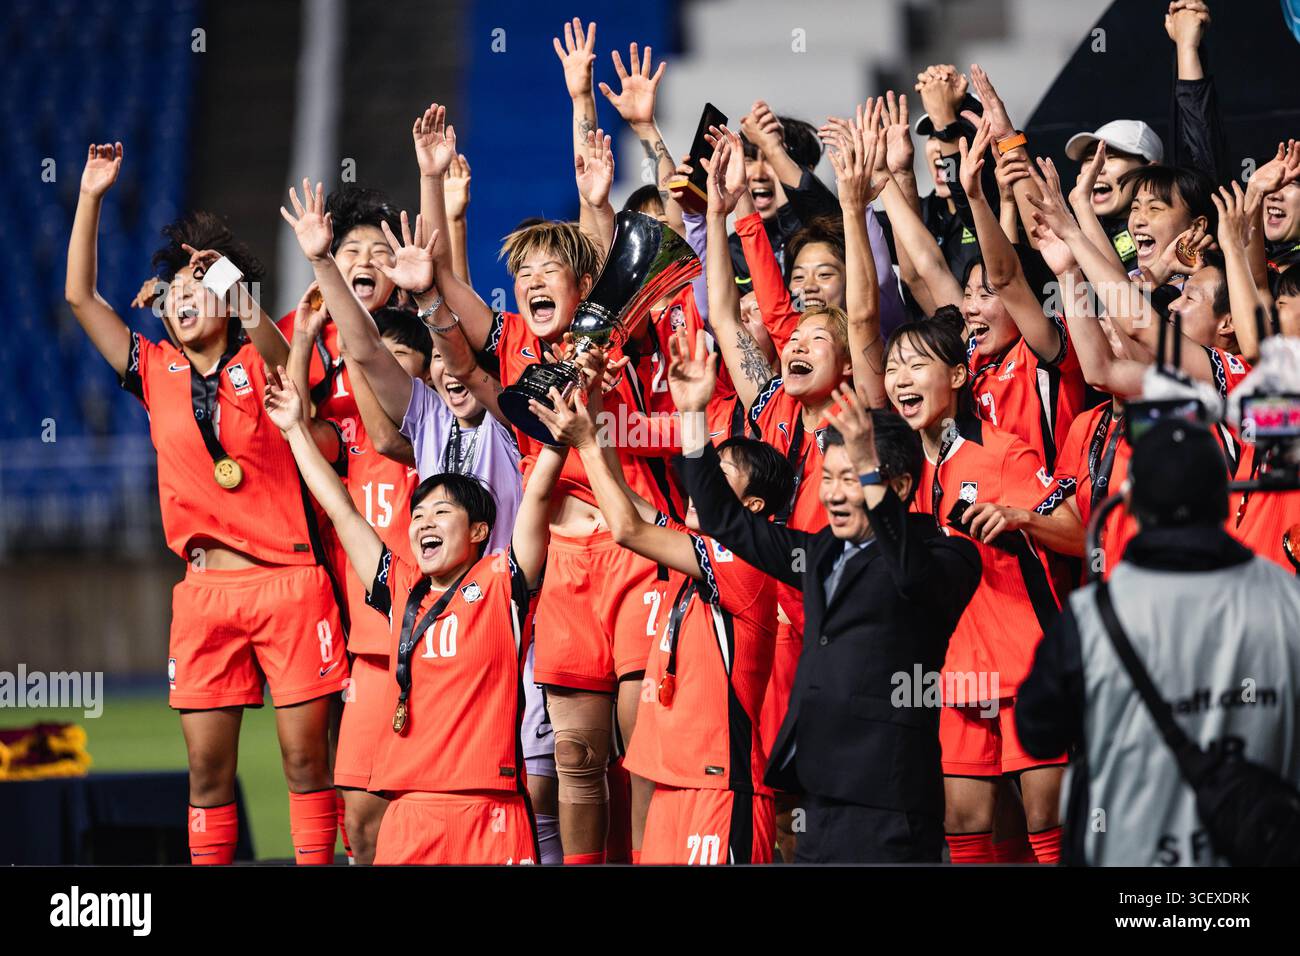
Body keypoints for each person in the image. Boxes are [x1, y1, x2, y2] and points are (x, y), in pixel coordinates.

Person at [66, 143, 347, 865]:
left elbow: (283, 352)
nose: (184, 295)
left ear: (228, 296)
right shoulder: (152, 369)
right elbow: (79, 299)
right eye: (174, 287)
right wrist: (92, 196)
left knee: (305, 764)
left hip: (288, 583)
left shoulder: (266, 357)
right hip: (204, 595)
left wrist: (224, 276)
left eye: (201, 283)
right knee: (206, 773)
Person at [668, 325, 981, 860]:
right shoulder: (818, 554)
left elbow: (909, 576)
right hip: (816, 789)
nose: (834, 494)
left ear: (898, 488)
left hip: (889, 795)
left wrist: (869, 471)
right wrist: (694, 415)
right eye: (829, 478)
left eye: (851, 477)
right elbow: (725, 519)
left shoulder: (948, 553)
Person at [265, 366, 562, 865]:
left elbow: (535, 498)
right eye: (418, 515)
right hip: (407, 816)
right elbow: (342, 511)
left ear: (478, 532)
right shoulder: (401, 587)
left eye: (441, 513)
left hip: (490, 811)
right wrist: (295, 427)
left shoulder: (501, 584)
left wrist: (556, 442)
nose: (423, 523)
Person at [532, 349, 796, 863]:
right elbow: (627, 503)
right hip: (670, 788)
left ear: (754, 508)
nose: (699, 484)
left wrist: (585, 442)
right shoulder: (696, 548)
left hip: (721, 789)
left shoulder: (745, 560)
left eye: (717, 477)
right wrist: (594, 404)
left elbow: (626, 531)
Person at [1017, 418, 1300, 865]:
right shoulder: (1289, 601)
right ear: (1224, 502)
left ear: (1136, 508)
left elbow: (1037, 733)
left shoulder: (1093, 618)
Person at [873, 315, 1083, 864]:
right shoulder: (894, 475)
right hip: (951, 675)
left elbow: (1081, 535)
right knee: (965, 828)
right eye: (894, 369)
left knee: (1048, 822)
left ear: (960, 376)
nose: (901, 379)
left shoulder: (1003, 452)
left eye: (917, 365)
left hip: (1027, 664)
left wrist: (1020, 517)